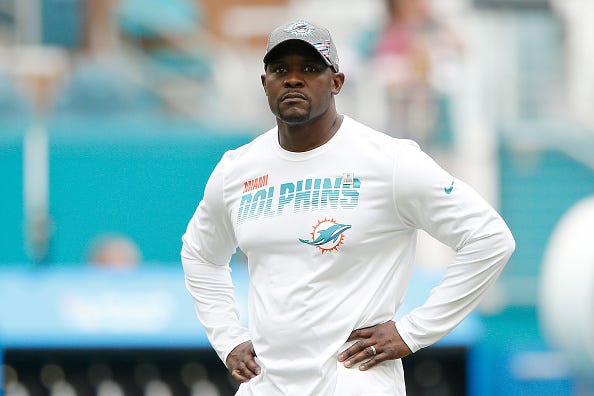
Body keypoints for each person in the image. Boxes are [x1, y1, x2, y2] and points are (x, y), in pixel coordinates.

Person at [181, 20, 514, 395]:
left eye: (309, 69)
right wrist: (227, 338)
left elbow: (489, 238)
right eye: (280, 70)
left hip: (355, 381)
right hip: (266, 386)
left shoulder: (389, 162)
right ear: (265, 85)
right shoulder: (236, 170)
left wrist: (413, 331)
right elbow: (199, 254)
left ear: (336, 81)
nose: (293, 79)